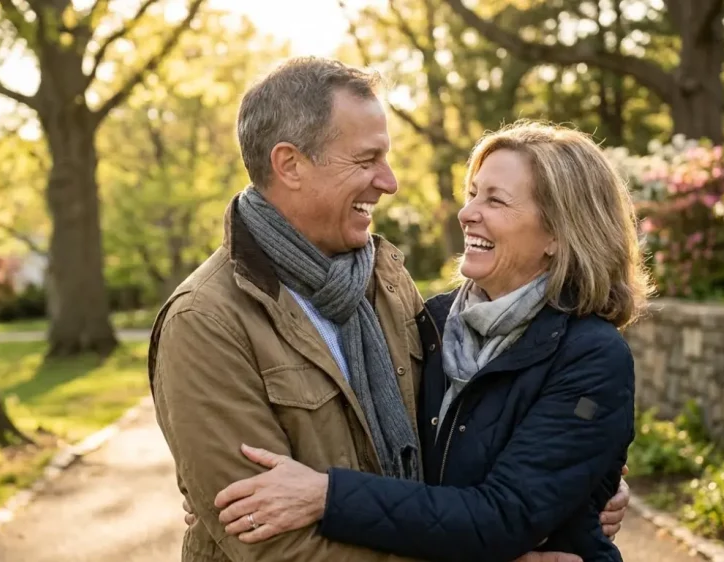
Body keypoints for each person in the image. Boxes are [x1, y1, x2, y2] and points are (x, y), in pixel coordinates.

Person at [149, 58, 629, 562]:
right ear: (290, 164)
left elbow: (473, 455)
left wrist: (580, 492)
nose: (390, 181)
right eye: (366, 159)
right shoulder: (206, 319)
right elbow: (272, 541)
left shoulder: (386, 281)